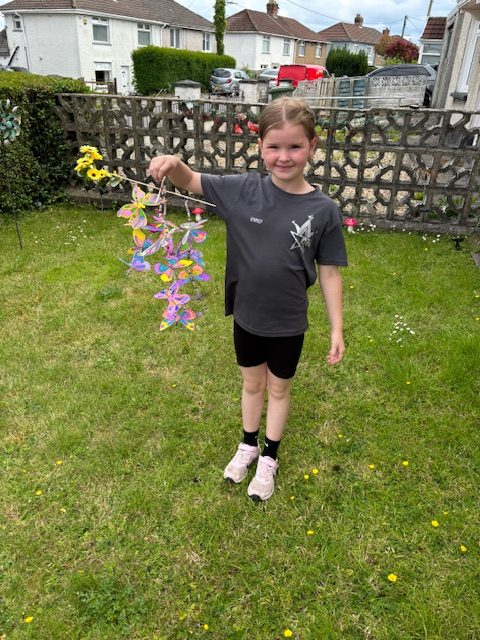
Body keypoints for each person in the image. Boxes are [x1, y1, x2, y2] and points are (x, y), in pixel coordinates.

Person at [148, 97, 347, 502]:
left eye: (295, 146)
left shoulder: (323, 210)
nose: (284, 156)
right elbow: (192, 180)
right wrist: (172, 162)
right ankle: (248, 444)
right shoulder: (242, 191)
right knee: (252, 384)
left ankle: (269, 457)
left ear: (312, 146)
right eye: (274, 146)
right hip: (247, 316)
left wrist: (336, 327)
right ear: (260, 147)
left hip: (289, 322)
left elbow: (328, 271)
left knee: (278, 389)